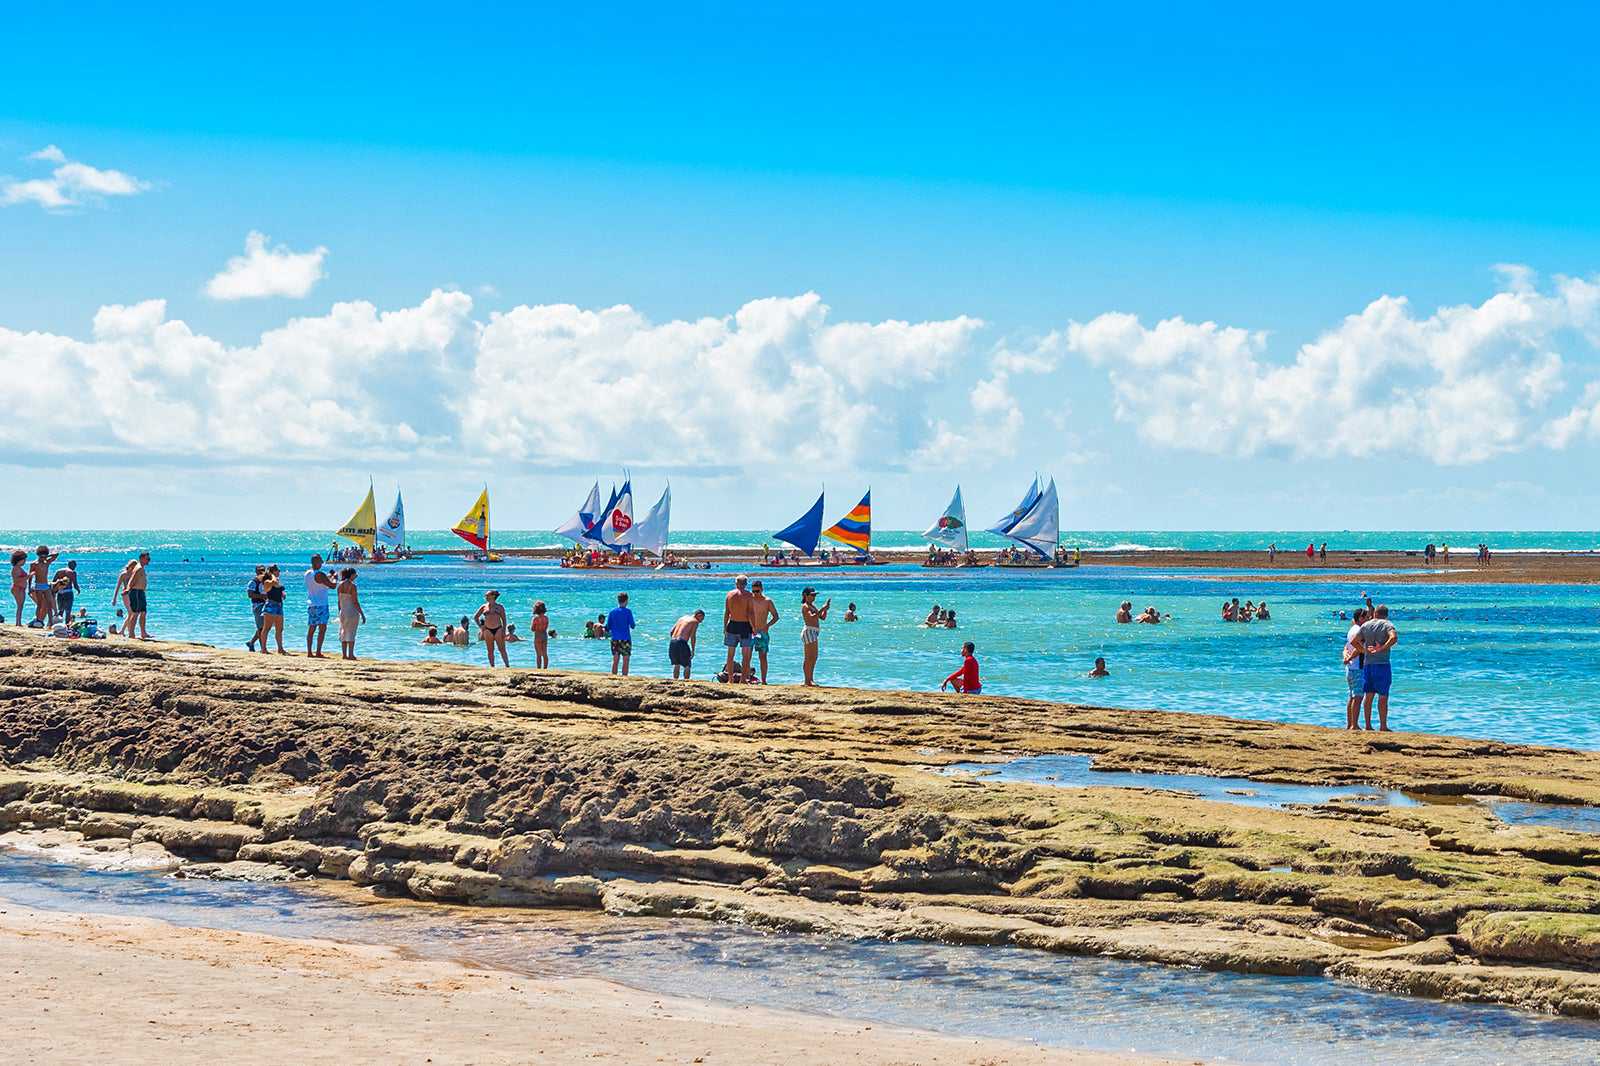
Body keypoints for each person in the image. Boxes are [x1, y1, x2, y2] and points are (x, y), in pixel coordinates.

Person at [1359, 606, 1398, 731]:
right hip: (1382, 664)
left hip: (1368, 664)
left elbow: (1355, 641)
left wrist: (1365, 651)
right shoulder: (1387, 624)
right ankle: (1383, 726)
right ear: (1386, 615)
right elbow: (1393, 637)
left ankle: (1368, 725)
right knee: (1383, 696)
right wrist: (1381, 648)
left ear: (1375, 613)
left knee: (1368, 695)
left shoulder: (1366, 625)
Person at [722, 575, 755, 682]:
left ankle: (730, 679)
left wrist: (724, 627)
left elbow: (727, 612)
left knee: (730, 654)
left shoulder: (729, 594)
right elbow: (750, 613)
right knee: (745, 655)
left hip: (732, 625)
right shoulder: (749, 595)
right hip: (745, 626)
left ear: (736, 583)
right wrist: (754, 627)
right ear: (745, 584)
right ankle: (742, 679)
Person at [303, 554, 336, 658]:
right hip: (321, 604)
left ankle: (309, 652)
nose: (322, 563)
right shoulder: (320, 574)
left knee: (311, 629)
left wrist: (329, 577)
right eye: (321, 561)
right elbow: (332, 586)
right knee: (322, 629)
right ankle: (318, 652)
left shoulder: (308, 573)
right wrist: (335, 578)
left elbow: (321, 581)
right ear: (316, 562)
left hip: (312, 603)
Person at [750, 579, 779, 684]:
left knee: (763, 657)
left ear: (762, 589)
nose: (755, 594)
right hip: (750, 631)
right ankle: (745, 678)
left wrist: (768, 625)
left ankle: (764, 680)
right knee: (747, 655)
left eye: (757, 591)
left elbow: (776, 616)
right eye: (753, 591)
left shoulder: (767, 601)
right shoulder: (749, 600)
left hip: (762, 632)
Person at [800, 586, 830, 687]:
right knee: (809, 657)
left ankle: (810, 679)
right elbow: (811, 617)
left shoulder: (812, 606)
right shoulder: (805, 606)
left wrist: (826, 609)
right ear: (805, 595)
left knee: (814, 657)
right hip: (809, 631)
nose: (814, 597)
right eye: (812, 595)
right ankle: (807, 680)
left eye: (814, 595)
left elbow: (822, 617)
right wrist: (822, 608)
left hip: (814, 632)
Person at [1343, 608, 1368, 730]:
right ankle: (1355, 725)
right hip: (1358, 666)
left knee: (1352, 696)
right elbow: (1357, 647)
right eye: (1366, 617)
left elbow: (1346, 647)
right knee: (1358, 697)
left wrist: (1346, 657)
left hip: (1350, 667)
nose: (1368, 619)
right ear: (1360, 618)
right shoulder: (1359, 631)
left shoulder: (1351, 630)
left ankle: (1350, 724)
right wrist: (1366, 652)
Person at [336, 568, 366, 660]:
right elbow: (355, 602)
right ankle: (351, 654)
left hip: (343, 611)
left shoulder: (339, 585)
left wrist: (339, 612)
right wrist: (362, 614)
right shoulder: (353, 586)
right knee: (351, 633)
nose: (356, 576)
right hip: (352, 612)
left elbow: (339, 601)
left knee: (343, 632)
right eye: (355, 575)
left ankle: (344, 655)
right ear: (351, 575)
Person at [474, 590, 509, 667]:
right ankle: (492, 666)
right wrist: (481, 626)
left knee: (502, 649)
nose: (486, 597)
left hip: (498, 629)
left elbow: (504, 619)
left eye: (487, 595)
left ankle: (507, 665)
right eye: (485, 596)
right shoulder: (484, 607)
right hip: (487, 630)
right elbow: (475, 617)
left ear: (493, 596)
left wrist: (504, 630)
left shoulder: (500, 607)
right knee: (490, 650)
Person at [669, 609, 705, 679]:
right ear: (699, 615)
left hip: (673, 641)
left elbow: (671, 632)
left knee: (677, 664)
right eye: (702, 619)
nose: (701, 621)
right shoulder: (695, 621)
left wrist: (676, 641)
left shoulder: (682, 618)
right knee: (687, 665)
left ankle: (675, 681)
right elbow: (693, 636)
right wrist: (693, 650)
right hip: (682, 642)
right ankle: (686, 682)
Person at [122, 552, 151, 639]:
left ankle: (143, 633)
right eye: (147, 559)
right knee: (135, 613)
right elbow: (132, 579)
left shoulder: (141, 568)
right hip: (136, 592)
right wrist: (128, 589)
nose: (148, 561)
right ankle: (131, 633)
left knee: (143, 612)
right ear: (142, 558)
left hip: (141, 592)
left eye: (149, 559)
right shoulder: (138, 568)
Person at [259, 564, 287, 654]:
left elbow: (278, 588)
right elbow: (273, 583)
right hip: (271, 605)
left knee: (280, 628)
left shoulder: (277, 581)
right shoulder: (267, 581)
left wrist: (282, 593)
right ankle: (263, 648)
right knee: (267, 628)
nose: (279, 572)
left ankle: (280, 648)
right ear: (272, 572)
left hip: (279, 605)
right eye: (277, 570)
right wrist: (272, 575)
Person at [607, 592, 636, 676]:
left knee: (615, 660)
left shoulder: (612, 612)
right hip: (625, 638)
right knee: (626, 660)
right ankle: (624, 677)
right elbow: (632, 625)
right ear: (626, 600)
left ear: (618, 600)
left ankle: (613, 676)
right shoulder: (628, 612)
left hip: (615, 638)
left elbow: (608, 626)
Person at [29, 546, 57, 626]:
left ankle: (50, 621)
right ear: (38, 555)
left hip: (45, 585)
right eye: (42, 555)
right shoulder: (34, 564)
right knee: (40, 604)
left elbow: (56, 555)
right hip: (38, 585)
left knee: (49, 603)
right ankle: (38, 620)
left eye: (45, 555)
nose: (43, 557)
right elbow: (30, 577)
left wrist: (46, 556)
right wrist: (29, 588)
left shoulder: (47, 562)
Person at [246, 565, 267, 650]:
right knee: (261, 627)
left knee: (264, 627)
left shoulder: (265, 581)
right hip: (258, 605)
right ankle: (263, 648)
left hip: (265, 605)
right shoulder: (253, 582)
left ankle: (251, 642)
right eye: (260, 570)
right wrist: (262, 596)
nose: (261, 572)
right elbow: (250, 594)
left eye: (263, 570)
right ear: (256, 572)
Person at [9, 549, 28, 625]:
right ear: (19, 560)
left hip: (21, 588)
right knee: (19, 606)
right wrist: (28, 576)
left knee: (20, 606)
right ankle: (18, 622)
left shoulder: (19, 568)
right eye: (23, 560)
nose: (24, 562)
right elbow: (16, 580)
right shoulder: (16, 568)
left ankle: (18, 622)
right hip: (18, 588)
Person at [530, 601, 550, 669]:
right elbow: (546, 627)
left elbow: (532, 629)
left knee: (538, 654)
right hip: (544, 635)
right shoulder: (546, 618)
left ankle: (538, 668)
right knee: (545, 653)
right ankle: (545, 668)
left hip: (537, 636)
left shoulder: (535, 618)